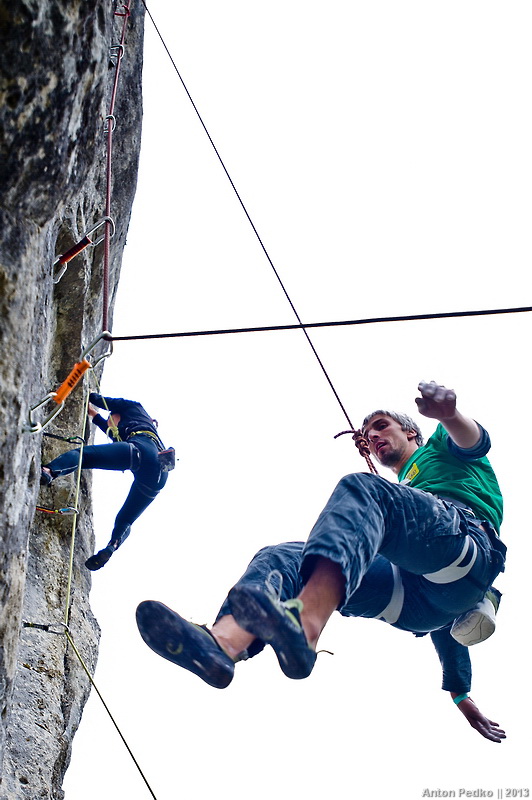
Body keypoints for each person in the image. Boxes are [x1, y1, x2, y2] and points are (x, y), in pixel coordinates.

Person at [136, 381, 507, 742]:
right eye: (368, 434)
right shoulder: (402, 498)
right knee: (280, 556)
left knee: (364, 490)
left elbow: (473, 441)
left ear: (411, 432)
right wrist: (460, 693)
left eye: (382, 426)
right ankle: (223, 645)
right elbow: (447, 616)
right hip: (416, 600)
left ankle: (306, 623)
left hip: (467, 545)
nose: (374, 436)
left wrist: (451, 414)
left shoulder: (438, 447)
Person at [41, 393, 172, 570]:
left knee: (84, 455)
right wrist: (93, 415)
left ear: (117, 415)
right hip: (159, 474)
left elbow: (103, 401)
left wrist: (86, 393)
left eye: (112, 421)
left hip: (141, 451)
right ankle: (112, 546)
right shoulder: (134, 427)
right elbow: (107, 427)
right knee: (125, 519)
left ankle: (49, 471)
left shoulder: (132, 407)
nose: (111, 426)